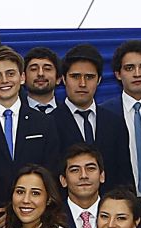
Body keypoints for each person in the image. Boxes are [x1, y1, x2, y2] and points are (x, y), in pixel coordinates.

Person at [0, 49, 64, 207]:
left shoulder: (44, 123)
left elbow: (51, 171)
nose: (4, 80)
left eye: (10, 74)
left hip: (35, 210)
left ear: (22, 77)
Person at [51, 46, 132, 192]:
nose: (82, 83)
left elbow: (124, 175)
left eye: (89, 77)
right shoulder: (49, 123)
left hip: (110, 203)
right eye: (75, 76)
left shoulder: (115, 122)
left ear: (99, 80)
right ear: (63, 79)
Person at [107, 41, 141, 197]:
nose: (137, 74)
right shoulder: (105, 113)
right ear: (118, 74)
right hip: (121, 200)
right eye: (129, 68)